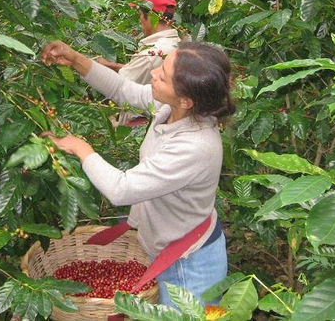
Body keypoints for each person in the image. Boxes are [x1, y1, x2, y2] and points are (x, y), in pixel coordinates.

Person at [41, 39, 235, 308]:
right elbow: (123, 89)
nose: (154, 74)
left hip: (189, 265)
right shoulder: (170, 108)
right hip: (165, 248)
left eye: (163, 76)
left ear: (187, 100)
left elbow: (121, 189)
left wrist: (81, 148)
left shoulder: (196, 145)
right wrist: (75, 59)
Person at [96, 0, 181, 126]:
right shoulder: (174, 43)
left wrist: (82, 64)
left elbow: (118, 87)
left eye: (140, 15)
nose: (140, 20)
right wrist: (113, 66)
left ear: (150, 17)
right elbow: (149, 70)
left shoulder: (152, 53)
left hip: (141, 126)